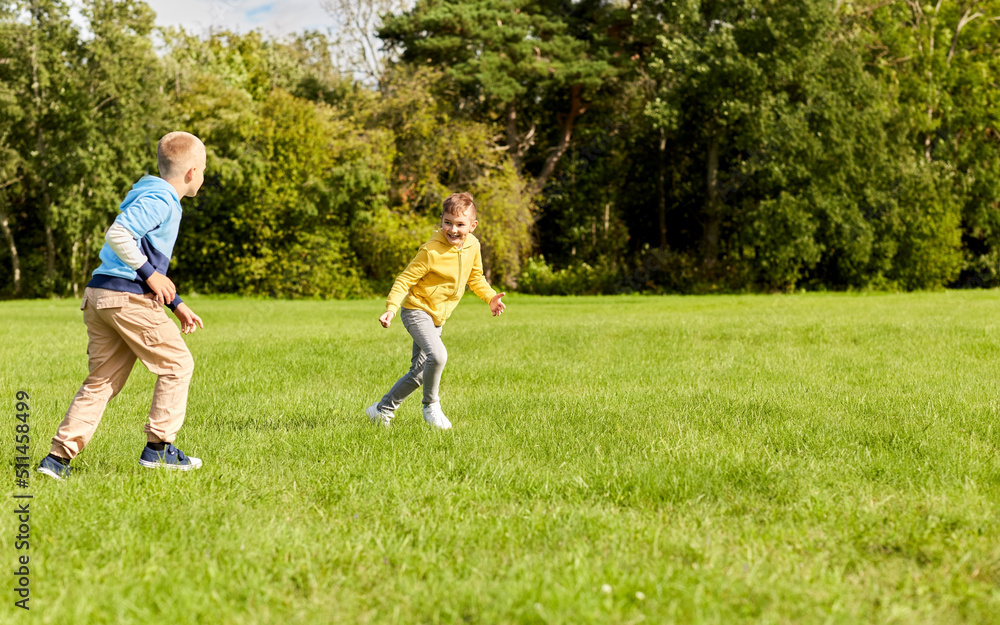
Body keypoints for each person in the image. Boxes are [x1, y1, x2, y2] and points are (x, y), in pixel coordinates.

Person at [37, 131, 207, 480]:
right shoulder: (162, 199)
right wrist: (150, 273)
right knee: (177, 364)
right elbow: (118, 234)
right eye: (203, 170)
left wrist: (176, 304)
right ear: (192, 172)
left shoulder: (148, 193)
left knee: (102, 381)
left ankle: (56, 460)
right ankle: (159, 449)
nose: (203, 177)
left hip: (101, 295)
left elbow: (136, 256)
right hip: (126, 297)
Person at [366, 192, 506, 429]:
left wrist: (490, 297)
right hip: (417, 310)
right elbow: (404, 280)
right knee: (438, 356)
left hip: (438, 317)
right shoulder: (431, 251)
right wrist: (391, 308)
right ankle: (431, 406)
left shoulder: (473, 246)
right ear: (441, 220)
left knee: (420, 374)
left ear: (472, 226)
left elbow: (476, 277)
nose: (453, 229)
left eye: (460, 224)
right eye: (448, 222)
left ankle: (381, 410)